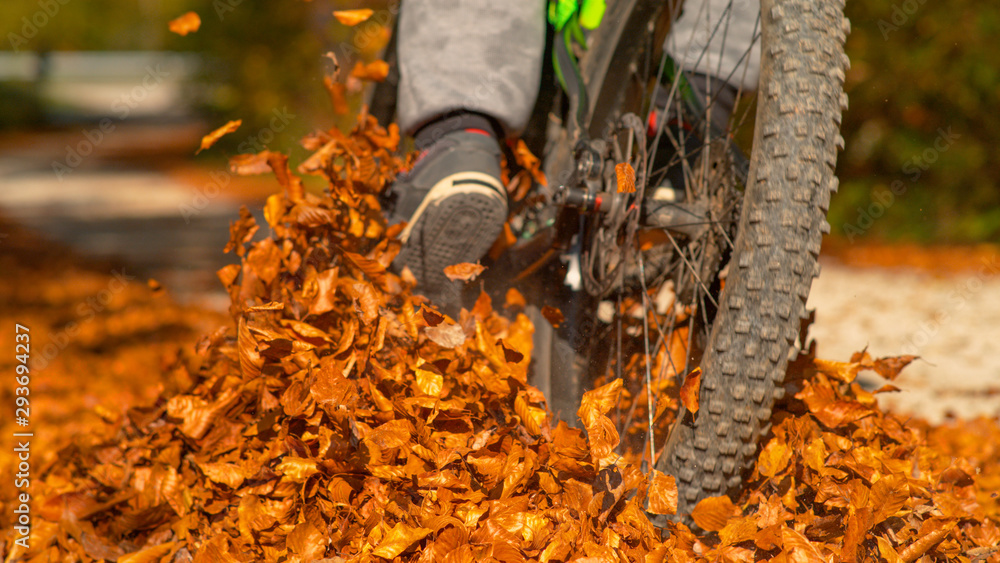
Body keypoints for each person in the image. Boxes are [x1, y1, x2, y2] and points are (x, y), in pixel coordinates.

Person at [383, 0, 762, 309]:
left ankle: (463, 132)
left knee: (624, 172)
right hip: (643, 160)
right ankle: (681, 143)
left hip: (624, 176)